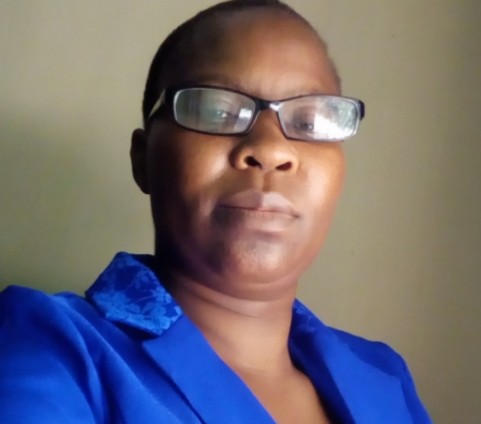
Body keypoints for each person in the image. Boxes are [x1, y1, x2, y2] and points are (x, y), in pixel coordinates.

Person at [0, 0, 432, 423]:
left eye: (310, 122)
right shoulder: (48, 348)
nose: (271, 150)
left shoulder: (384, 377)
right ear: (143, 159)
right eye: (217, 111)